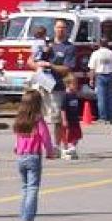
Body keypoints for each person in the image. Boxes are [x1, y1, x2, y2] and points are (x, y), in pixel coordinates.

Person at [12, 90, 55, 221]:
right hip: (33, 156)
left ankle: (23, 216)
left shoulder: (20, 119)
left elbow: (17, 137)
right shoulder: (38, 120)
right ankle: (28, 218)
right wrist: (50, 151)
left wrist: (17, 148)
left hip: (21, 157)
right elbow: (46, 137)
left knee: (25, 187)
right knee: (32, 188)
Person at [35, 19, 76, 148]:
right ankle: (39, 144)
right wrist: (36, 64)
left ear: (66, 30)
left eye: (63, 28)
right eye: (58, 27)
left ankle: (57, 146)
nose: (60, 30)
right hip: (42, 84)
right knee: (38, 117)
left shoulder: (69, 47)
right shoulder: (47, 44)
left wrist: (50, 65)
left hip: (58, 86)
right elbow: (32, 59)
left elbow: (67, 68)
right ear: (54, 29)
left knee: (58, 119)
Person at [88, 38, 112, 123]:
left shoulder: (95, 54)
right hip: (111, 75)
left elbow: (92, 68)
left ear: (99, 44)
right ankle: (111, 117)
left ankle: (103, 118)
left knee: (101, 98)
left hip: (100, 76)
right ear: (107, 44)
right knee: (111, 97)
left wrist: (91, 79)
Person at [59, 73, 84, 159]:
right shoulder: (65, 96)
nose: (76, 86)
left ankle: (72, 148)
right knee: (68, 136)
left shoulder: (74, 95)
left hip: (75, 120)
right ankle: (66, 150)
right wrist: (64, 120)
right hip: (68, 120)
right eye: (74, 84)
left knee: (77, 135)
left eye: (76, 83)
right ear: (68, 84)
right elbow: (63, 109)